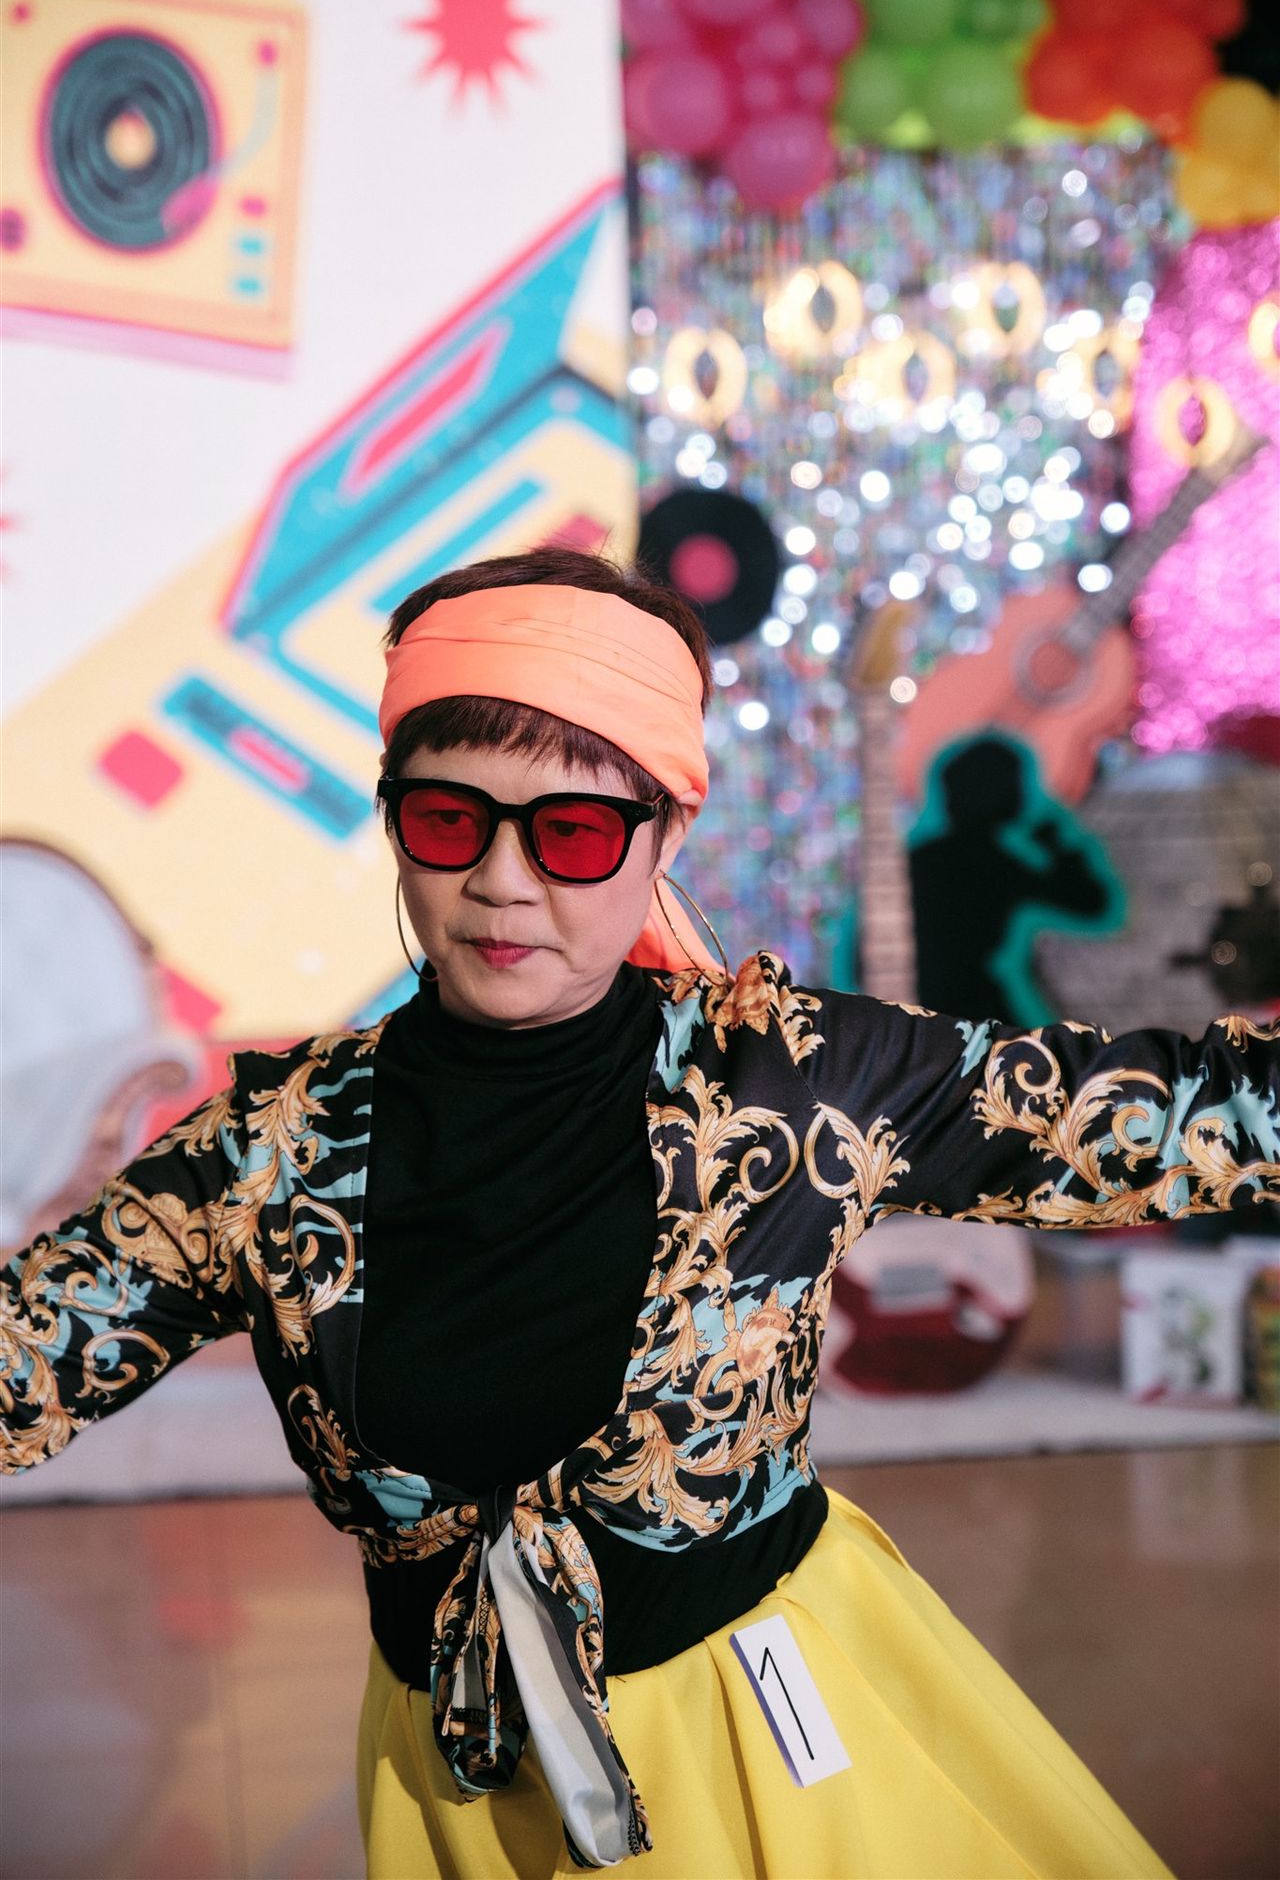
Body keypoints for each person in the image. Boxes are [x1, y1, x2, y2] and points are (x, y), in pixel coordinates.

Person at [3, 545, 1277, 1880]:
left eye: (570, 831)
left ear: (663, 832)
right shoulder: (268, 1157)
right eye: (449, 820)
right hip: (462, 1792)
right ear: (395, 823)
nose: (503, 881)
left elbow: (1199, 1118)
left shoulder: (789, 1086)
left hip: (767, 1749)